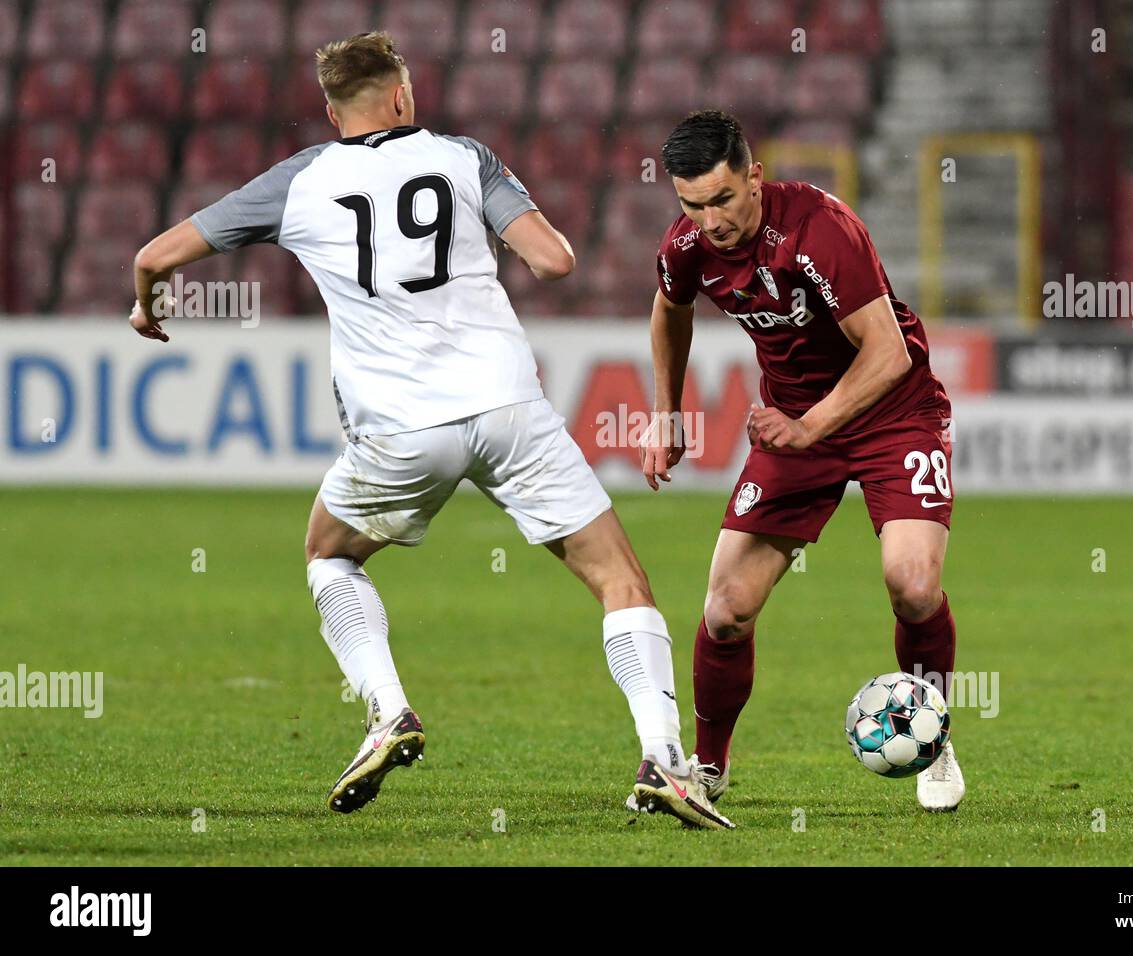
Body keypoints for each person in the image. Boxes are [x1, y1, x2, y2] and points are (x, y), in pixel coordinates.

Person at [128, 33, 730, 829]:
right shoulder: (463, 157)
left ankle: (388, 712)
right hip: (509, 408)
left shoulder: (298, 180)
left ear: (332, 110)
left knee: (328, 554)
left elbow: (154, 254)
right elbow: (554, 261)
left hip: (402, 430)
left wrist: (150, 304)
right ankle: (663, 760)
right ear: (404, 97)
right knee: (622, 583)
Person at [639, 110, 965, 815]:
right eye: (692, 204)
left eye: (723, 199)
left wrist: (807, 426)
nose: (711, 219)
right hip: (796, 427)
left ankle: (933, 736)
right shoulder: (689, 243)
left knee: (911, 585)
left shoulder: (819, 229)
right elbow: (670, 309)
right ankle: (709, 767)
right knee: (725, 610)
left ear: (754, 177)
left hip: (893, 415)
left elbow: (888, 352)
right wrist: (665, 413)